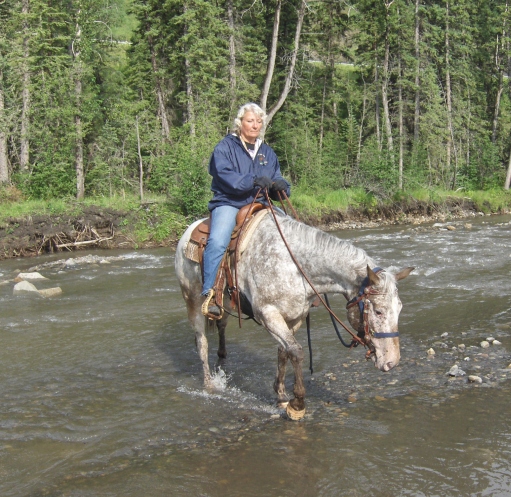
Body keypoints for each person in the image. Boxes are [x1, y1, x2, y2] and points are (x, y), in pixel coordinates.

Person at [201, 102, 291, 317]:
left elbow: (276, 175)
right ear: (240, 123)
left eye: (259, 121)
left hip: (262, 202)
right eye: (250, 121)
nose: (255, 125)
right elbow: (224, 175)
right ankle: (210, 292)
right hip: (230, 201)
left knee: (291, 232)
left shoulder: (267, 151)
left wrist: (281, 186)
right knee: (218, 240)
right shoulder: (225, 147)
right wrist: (252, 180)